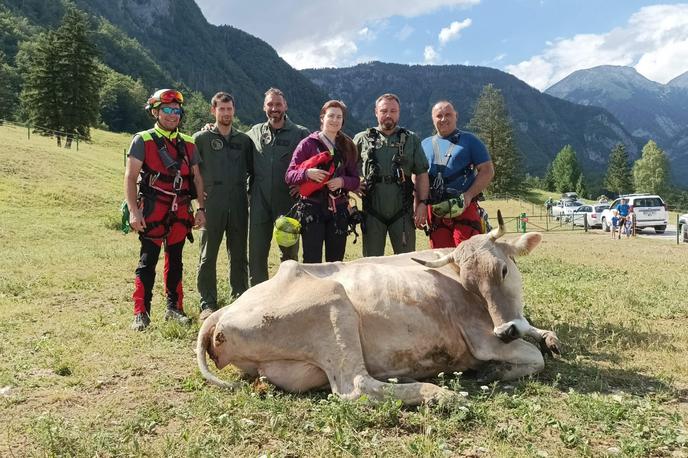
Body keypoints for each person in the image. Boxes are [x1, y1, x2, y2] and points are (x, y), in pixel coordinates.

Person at [124, 89, 206, 331]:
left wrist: (201, 208)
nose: (172, 115)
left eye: (176, 111)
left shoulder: (189, 143)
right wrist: (133, 211)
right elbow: (130, 178)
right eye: (167, 110)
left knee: (176, 260)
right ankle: (141, 312)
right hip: (152, 208)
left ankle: (174, 308)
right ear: (155, 112)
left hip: (180, 210)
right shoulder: (143, 140)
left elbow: (198, 178)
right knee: (148, 260)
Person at [194, 92, 254, 321]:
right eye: (222, 109)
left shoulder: (244, 140)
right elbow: (192, 171)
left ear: (234, 110)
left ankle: (239, 297)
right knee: (208, 254)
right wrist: (197, 196)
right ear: (214, 111)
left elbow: (253, 170)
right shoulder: (201, 138)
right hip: (213, 202)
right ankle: (207, 303)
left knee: (239, 253)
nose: (226, 113)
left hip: (238, 200)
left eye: (229, 109)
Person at [245, 88, 310, 284]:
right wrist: (209, 128)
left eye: (278, 104)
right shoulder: (253, 133)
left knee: (289, 254)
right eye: (270, 105)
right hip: (259, 201)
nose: (274, 108)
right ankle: (256, 296)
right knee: (256, 252)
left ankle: (289, 294)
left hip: (288, 202)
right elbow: (231, 140)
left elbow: (313, 164)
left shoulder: (300, 133)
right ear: (264, 107)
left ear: (285, 106)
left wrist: (302, 188)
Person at [353, 94, 430, 256]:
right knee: (371, 265)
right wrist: (353, 186)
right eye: (384, 110)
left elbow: (422, 173)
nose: (388, 114)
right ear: (376, 112)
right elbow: (345, 168)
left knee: (407, 262)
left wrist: (422, 203)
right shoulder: (361, 139)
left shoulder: (411, 139)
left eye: (393, 111)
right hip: (372, 212)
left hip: (403, 213)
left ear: (399, 113)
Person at [285, 100, 360, 263]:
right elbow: (289, 175)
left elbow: (355, 181)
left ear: (343, 120)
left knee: (336, 262)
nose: (335, 120)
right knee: (312, 261)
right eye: (331, 115)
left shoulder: (348, 147)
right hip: (312, 208)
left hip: (338, 209)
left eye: (339, 117)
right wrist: (307, 173)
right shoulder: (307, 144)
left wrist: (342, 181)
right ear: (322, 118)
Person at [421, 101, 494, 248]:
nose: (443, 119)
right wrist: (419, 204)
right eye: (439, 116)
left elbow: (487, 170)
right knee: (441, 256)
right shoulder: (424, 144)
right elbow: (417, 176)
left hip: (464, 208)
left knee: (469, 256)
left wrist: (469, 194)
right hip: (435, 211)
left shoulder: (470, 141)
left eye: (448, 114)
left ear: (456, 116)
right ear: (432, 119)